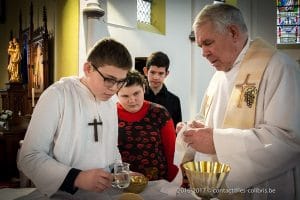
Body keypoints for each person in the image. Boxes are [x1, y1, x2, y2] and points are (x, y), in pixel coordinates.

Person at [176, 3, 300, 200]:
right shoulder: (219, 75)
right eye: (200, 46)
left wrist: (217, 142)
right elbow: (213, 121)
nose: (203, 53)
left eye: (208, 43)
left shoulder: (279, 67)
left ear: (233, 32)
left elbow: (288, 140)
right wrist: (196, 130)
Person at [17, 38, 132, 198]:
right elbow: (29, 156)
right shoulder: (58, 95)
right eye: (109, 79)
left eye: (120, 82)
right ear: (88, 68)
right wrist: (77, 178)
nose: (114, 89)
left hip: (105, 192)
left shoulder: (111, 100)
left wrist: (120, 171)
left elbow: (110, 148)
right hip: (64, 193)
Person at [117, 70, 178, 182]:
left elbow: (172, 151)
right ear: (117, 95)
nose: (132, 100)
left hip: (157, 181)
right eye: (125, 96)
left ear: (144, 89)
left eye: (136, 93)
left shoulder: (160, 113)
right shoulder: (110, 114)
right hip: (122, 181)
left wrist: (172, 182)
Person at [143, 51, 182, 128]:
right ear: (146, 71)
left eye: (160, 73)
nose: (156, 77)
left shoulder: (174, 101)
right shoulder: (136, 97)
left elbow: (176, 130)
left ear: (166, 74)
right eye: (152, 72)